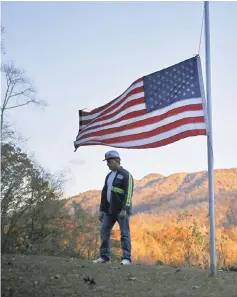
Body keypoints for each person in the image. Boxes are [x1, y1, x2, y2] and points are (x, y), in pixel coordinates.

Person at [93, 150, 133, 265]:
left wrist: (124, 209)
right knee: (103, 231)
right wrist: (101, 209)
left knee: (124, 234)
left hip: (122, 211)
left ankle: (126, 258)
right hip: (109, 210)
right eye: (107, 162)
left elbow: (128, 193)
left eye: (109, 162)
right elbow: (104, 193)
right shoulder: (109, 176)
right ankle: (105, 257)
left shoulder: (126, 175)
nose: (107, 164)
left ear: (117, 161)